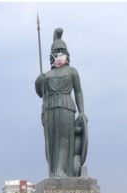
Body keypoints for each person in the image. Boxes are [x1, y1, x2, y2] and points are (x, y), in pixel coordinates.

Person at [35, 28, 88, 177]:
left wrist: (82, 111)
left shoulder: (72, 71)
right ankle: (54, 170)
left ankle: (61, 170)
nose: (59, 53)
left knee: (64, 140)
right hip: (50, 109)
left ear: (67, 53)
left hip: (66, 106)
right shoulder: (46, 76)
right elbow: (40, 93)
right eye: (56, 50)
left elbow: (78, 91)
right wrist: (39, 82)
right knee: (51, 143)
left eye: (62, 50)